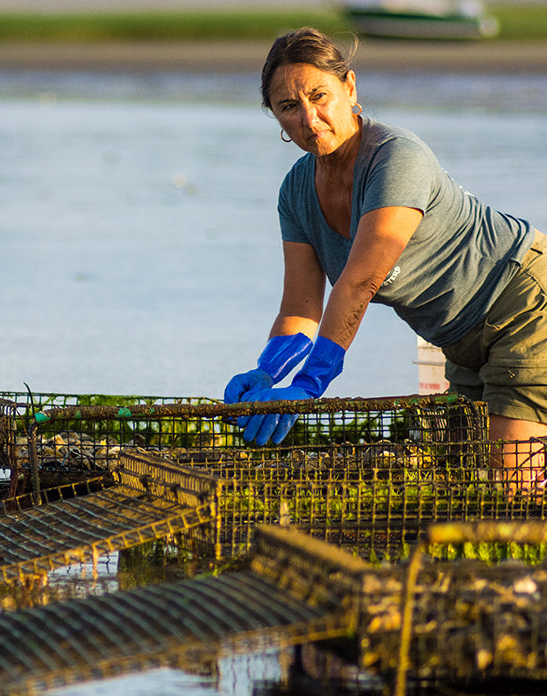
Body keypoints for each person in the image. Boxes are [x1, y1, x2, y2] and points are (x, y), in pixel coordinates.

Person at [224, 27, 547, 491]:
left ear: (349, 88)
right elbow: (299, 309)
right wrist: (267, 372)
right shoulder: (295, 192)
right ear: (273, 115)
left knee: (511, 485)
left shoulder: (395, 158)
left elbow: (359, 283)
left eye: (320, 97)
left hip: (522, 304)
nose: (310, 121)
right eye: (289, 107)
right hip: (458, 340)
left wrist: (311, 385)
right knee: (457, 479)